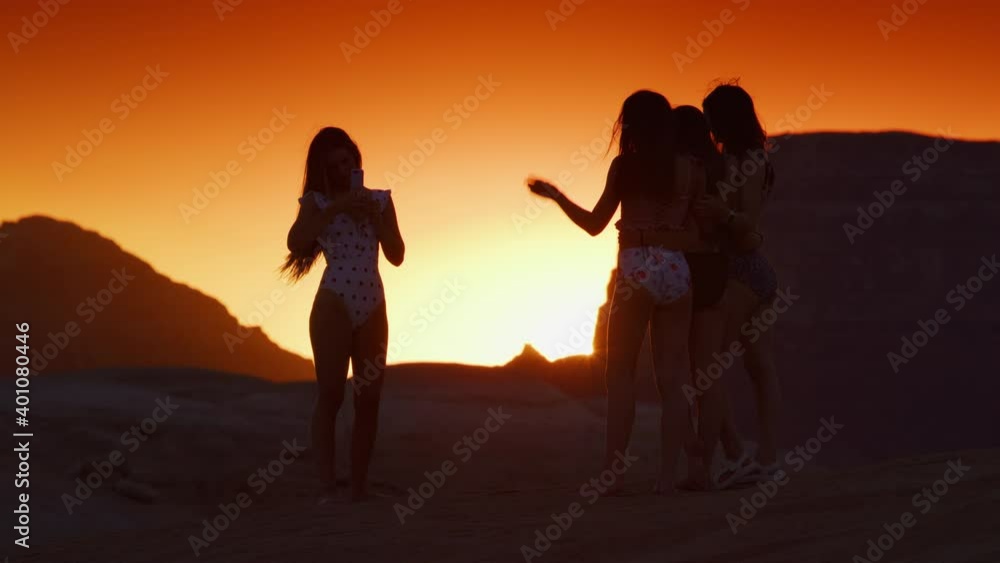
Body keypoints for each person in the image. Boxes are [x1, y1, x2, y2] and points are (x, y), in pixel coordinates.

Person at [526, 90, 703, 494]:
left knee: (619, 375)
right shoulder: (690, 169)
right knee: (672, 380)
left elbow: (594, 225)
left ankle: (613, 474)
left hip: (636, 270)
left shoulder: (625, 167)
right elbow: (696, 233)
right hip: (677, 269)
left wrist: (556, 196)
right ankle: (667, 478)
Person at [280, 127, 405, 502]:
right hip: (333, 300)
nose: (343, 166)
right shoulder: (316, 203)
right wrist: (336, 206)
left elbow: (397, 255)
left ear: (355, 158)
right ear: (324, 169)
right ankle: (326, 487)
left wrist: (372, 213)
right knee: (331, 395)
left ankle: (358, 489)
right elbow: (296, 241)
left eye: (347, 159)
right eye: (334, 164)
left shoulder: (380, 199)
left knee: (369, 399)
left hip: (373, 302)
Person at [694, 84, 781, 483]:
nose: (708, 123)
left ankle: (740, 456)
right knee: (757, 365)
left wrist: (720, 214)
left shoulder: (749, 160)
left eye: (711, 114)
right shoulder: (732, 157)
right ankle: (764, 459)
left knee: (706, 367)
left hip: (743, 271)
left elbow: (748, 223)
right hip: (748, 269)